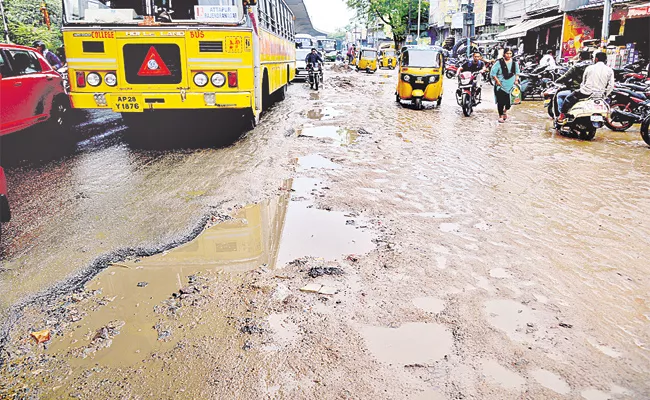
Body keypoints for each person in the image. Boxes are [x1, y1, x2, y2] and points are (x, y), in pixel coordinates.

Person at [558, 52, 614, 122]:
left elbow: (583, 82)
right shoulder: (609, 70)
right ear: (605, 60)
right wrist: (605, 94)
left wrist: (583, 89)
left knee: (568, 99)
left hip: (586, 93)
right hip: (600, 95)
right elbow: (611, 86)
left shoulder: (589, 68)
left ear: (596, 59)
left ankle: (562, 116)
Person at [490, 47, 520, 123]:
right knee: (500, 102)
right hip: (501, 85)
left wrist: (516, 80)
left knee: (509, 102)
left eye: (510, 53)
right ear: (504, 54)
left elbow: (517, 73)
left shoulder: (514, 63)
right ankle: (500, 116)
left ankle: (505, 111)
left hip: (511, 86)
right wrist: (497, 81)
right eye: (507, 53)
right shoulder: (499, 63)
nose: (509, 55)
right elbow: (493, 73)